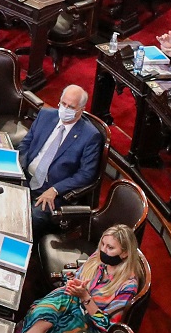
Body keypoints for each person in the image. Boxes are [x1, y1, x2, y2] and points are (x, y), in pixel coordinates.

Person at [16, 85, 105, 236]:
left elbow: (86, 174)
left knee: (33, 218)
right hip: (24, 175)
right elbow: (26, 143)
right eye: (63, 104)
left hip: (50, 189)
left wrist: (56, 189)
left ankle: (24, 252)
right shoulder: (45, 115)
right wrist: (17, 167)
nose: (65, 109)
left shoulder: (90, 136)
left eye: (71, 107)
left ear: (81, 109)